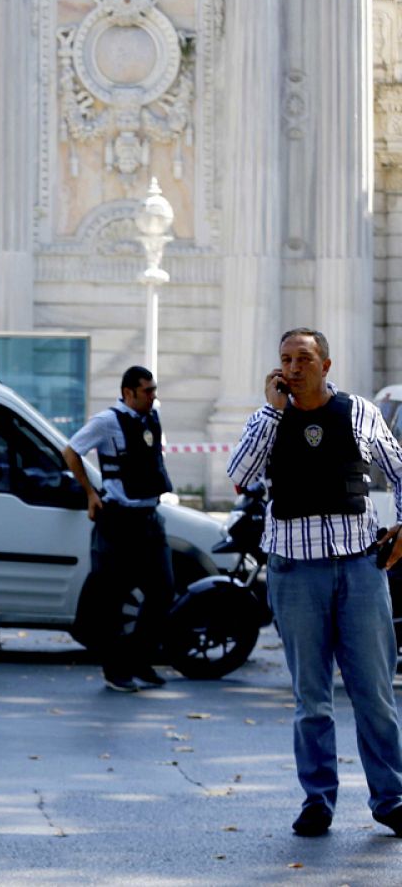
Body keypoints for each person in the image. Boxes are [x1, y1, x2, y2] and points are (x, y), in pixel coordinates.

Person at [226, 327, 402, 838]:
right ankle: (317, 801)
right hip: (296, 574)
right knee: (312, 698)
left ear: (326, 365)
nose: (293, 368)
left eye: (304, 358)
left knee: (374, 693)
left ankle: (391, 799)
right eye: (285, 359)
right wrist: (273, 413)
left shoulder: (360, 413)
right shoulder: (268, 420)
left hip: (359, 571)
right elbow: (238, 474)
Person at [62, 365, 175, 693]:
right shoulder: (107, 421)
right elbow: (71, 451)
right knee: (113, 599)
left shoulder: (150, 417)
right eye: (147, 391)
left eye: (154, 389)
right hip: (120, 522)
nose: (153, 396)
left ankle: (140, 659)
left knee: (163, 590)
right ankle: (115, 671)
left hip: (150, 518)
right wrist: (90, 493)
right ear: (128, 393)